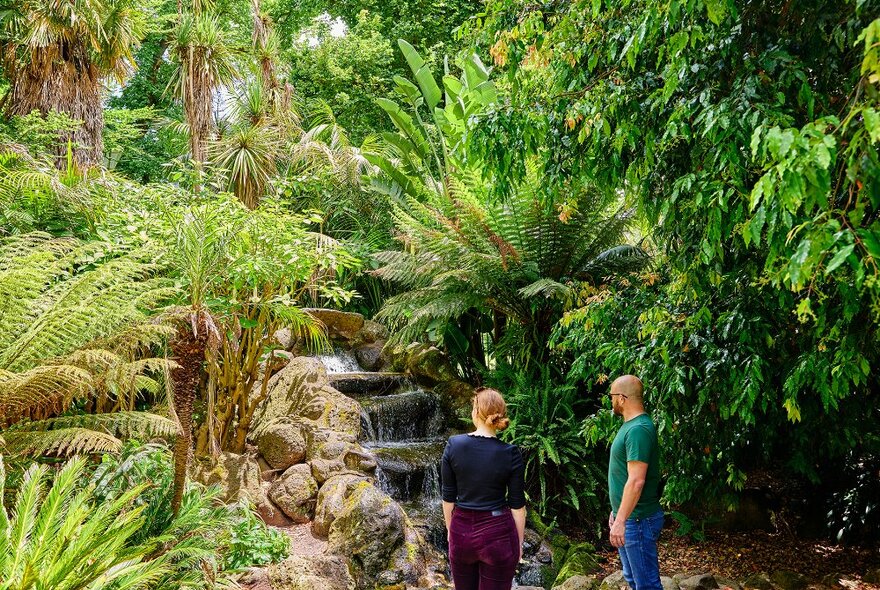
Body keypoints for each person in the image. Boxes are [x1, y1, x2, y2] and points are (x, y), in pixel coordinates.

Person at [441, 387, 526, 590]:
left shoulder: (454, 445)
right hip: (498, 534)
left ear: (475, 412)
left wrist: (451, 531)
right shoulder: (510, 453)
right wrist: (518, 545)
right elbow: (517, 507)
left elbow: (448, 498)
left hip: (461, 532)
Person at [607, 375, 663, 590]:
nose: (611, 401)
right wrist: (617, 511)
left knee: (647, 585)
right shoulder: (632, 426)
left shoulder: (638, 430)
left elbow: (636, 481)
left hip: (637, 520)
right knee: (634, 580)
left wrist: (621, 519)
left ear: (621, 398)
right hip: (630, 517)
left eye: (612, 396)